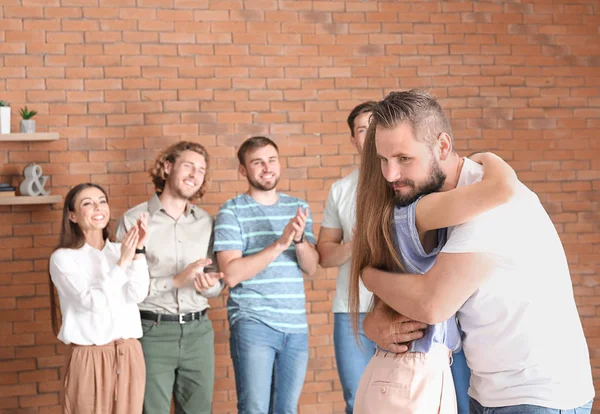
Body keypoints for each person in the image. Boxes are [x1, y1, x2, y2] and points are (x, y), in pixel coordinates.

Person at [352, 90, 594, 413]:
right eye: (383, 160)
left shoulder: (487, 204)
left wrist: (368, 275)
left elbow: (432, 302)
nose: (390, 174)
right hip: (487, 391)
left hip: (537, 396)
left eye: (403, 159)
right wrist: (376, 321)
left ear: (442, 146)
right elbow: (405, 295)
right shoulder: (432, 204)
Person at [351, 150, 517, 414]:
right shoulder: (414, 213)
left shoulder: (390, 217)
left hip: (412, 371)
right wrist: (485, 156)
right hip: (410, 374)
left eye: (404, 157)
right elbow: (503, 188)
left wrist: (368, 277)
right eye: (390, 159)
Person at [116, 141, 224, 414]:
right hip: (151, 333)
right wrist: (176, 280)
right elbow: (121, 288)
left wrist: (210, 286)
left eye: (201, 170)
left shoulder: (206, 223)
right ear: (167, 167)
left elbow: (215, 281)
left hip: (199, 332)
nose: (194, 174)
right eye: (188, 165)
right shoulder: (132, 221)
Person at [214, 136, 320, 414]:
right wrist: (280, 243)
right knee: (255, 409)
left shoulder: (298, 207)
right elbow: (231, 274)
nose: (266, 167)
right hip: (254, 322)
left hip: (295, 327)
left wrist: (298, 241)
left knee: (287, 410)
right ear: (242, 170)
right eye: (257, 162)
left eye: (271, 160)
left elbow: (311, 267)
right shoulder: (231, 211)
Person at [49, 183, 150, 414]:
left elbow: (138, 294)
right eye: (88, 203)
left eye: (102, 200)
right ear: (72, 216)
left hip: (129, 353)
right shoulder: (63, 258)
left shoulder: (119, 249)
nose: (98, 207)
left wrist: (138, 252)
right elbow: (91, 302)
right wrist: (122, 262)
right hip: (89, 357)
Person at [317, 101, 377, 414]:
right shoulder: (340, 190)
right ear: (353, 139)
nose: (370, 135)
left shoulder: (406, 182)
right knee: (357, 400)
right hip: (352, 311)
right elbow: (325, 255)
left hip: (402, 308)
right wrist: (354, 244)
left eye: (376, 126)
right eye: (362, 130)